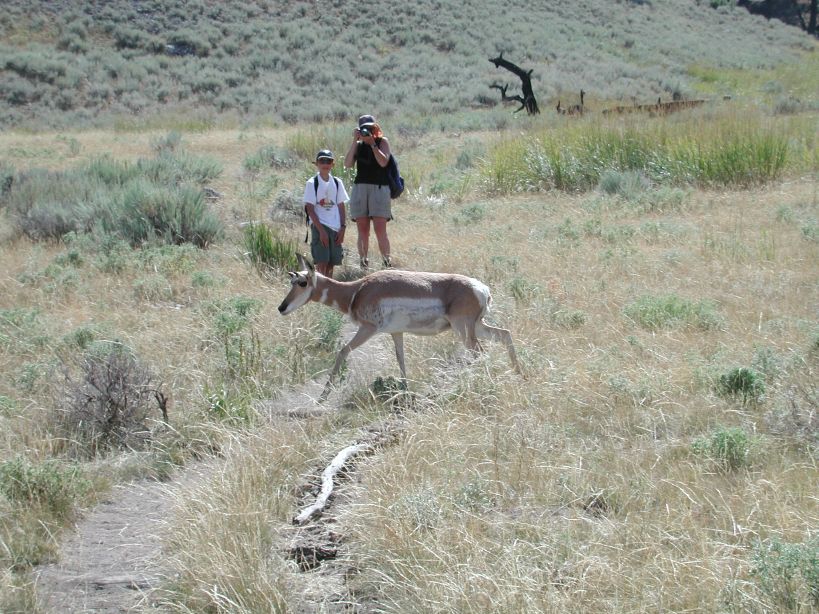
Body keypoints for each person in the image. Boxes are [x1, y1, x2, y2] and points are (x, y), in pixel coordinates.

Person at [344, 114, 393, 270]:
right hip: (360, 188)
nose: (367, 131)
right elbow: (348, 164)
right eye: (364, 128)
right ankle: (363, 262)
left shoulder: (382, 142)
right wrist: (355, 141)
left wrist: (373, 144)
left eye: (370, 128)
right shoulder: (358, 146)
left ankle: (386, 263)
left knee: (380, 229)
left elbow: (383, 162)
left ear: (375, 128)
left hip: (379, 188)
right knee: (362, 230)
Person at [303, 149, 348, 279]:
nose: (325, 163)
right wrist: (321, 231)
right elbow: (310, 208)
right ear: (316, 164)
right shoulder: (312, 183)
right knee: (322, 262)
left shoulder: (337, 182)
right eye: (322, 161)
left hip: (335, 227)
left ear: (332, 164)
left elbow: (341, 205)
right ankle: (319, 291)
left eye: (328, 161)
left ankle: (328, 292)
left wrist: (343, 227)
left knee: (331, 263)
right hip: (320, 226)